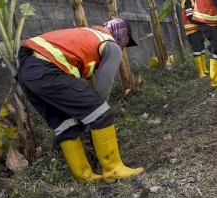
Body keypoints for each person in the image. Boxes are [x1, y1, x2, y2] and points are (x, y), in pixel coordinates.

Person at [16, 19, 144, 181]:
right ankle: (113, 169)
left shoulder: (89, 34)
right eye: (127, 41)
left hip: (27, 72)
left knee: (65, 124)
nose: (124, 47)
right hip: (45, 69)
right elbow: (102, 91)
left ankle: (84, 175)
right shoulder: (111, 45)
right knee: (100, 111)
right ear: (122, 34)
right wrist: (96, 120)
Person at [181, 0, 209, 78]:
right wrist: (202, 23)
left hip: (197, 28)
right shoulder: (187, 0)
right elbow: (189, 17)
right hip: (192, 30)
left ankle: (204, 69)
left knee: (201, 48)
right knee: (197, 49)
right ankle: (200, 72)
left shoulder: (192, 0)